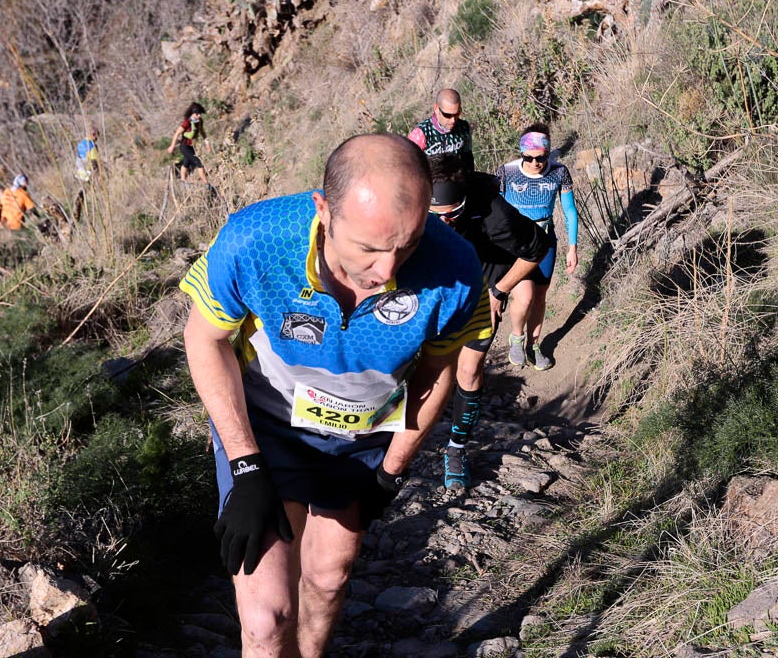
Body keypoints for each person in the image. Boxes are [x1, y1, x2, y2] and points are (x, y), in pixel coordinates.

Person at [178, 133, 490, 657]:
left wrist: (390, 474)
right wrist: (246, 465)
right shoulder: (256, 241)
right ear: (324, 210)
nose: (389, 272)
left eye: (407, 245)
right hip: (267, 431)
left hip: (361, 437)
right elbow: (204, 339)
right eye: (369, 248)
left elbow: (437, 374)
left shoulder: (455, 270)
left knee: (327, 580)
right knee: (265, 615)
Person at [427, 152, 554, 489]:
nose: (444, 223)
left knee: (468, 369)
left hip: (483, 281)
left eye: (451, 215)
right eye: (434, 216)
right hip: (436, 281)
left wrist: (498, 291)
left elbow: (538, 249)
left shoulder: (494, 214)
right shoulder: (412, 202)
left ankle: (455, 450)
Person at [496, 128, 580, 370]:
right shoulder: (507, 172)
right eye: (529, 157)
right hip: (516, 244)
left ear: (548, 154)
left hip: (545, 241)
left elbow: (570, 211)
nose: (535, 163)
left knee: (540, 297)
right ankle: (517, 337)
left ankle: (533, 346)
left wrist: (572, 247)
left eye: (541, 157)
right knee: (525, 296)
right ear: (521, 154)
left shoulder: (559, 172)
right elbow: (497, 211)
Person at [407, 88, 475, 172]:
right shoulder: (421, 133)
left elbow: (468, 158)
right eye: (447, 115)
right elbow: (408, 165)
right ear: (436, 108)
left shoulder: (464, 127)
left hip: (457, 179)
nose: (453, 120)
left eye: (457, 113)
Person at [167, 102, 209, 182]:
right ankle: (206, 184)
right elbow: (177, 134)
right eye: (197, 114)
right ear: (193, 113)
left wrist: (207, 143)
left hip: (191, 146)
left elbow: (202, 132)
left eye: (200, 114)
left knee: (186, 162)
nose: (199, 116)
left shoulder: (199, 121)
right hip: (184, 146)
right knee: (199, 163)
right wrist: (172, 146)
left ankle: (182, 180)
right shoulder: (187, 122)